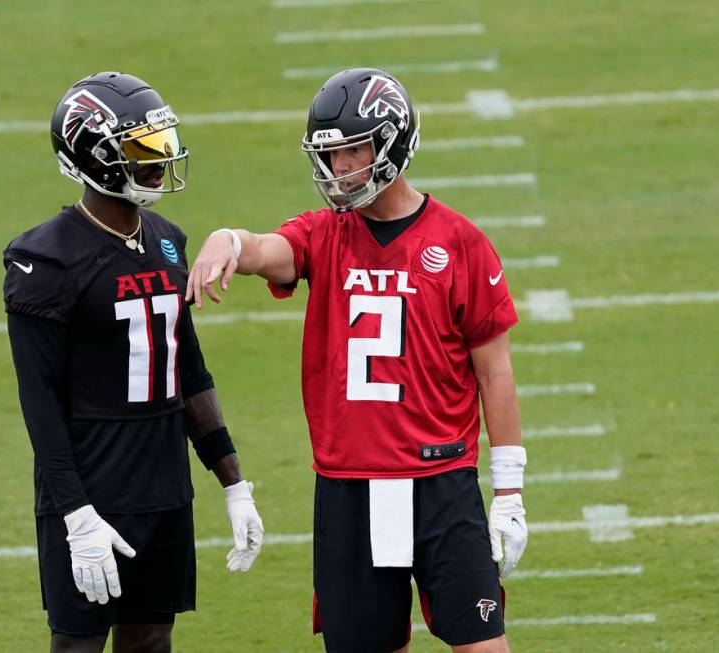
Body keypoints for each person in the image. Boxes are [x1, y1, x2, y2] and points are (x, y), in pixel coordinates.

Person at [185, 68, 528, 653]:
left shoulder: (459, 241)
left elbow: (494, 371)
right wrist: (230, 240)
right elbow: (270, 249)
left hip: (439, 481)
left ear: (393, 142)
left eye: (352, 152)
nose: (340, 168)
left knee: (485, 649)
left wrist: (510, 492)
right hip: (349, 485)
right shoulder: (324, 233)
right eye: (332, 155)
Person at [3, 72, 264, 653]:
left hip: (163, 479)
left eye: (160, 143)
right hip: (93, 482)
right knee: (78, 643)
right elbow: (38, 402)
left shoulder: (167, 239)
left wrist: (233, 482)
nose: (158, 160)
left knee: (151, 641)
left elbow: (189, 370)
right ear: (92, 156)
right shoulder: (44, 258)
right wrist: (75, 513)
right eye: (140, 148)